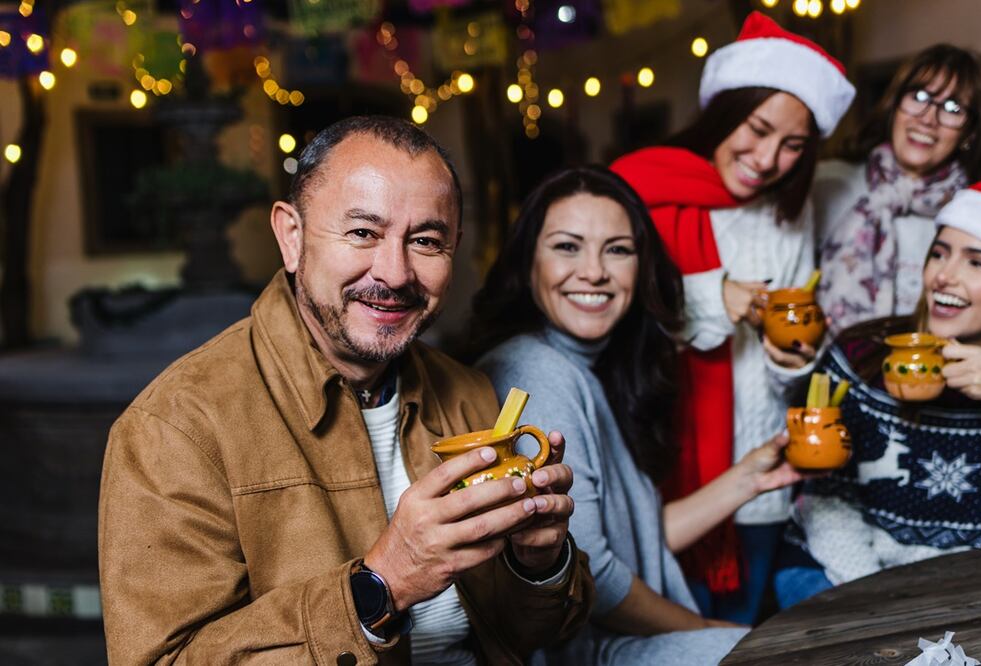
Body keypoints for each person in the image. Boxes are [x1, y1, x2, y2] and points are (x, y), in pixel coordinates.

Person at [98, 116, 594, 664]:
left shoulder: (468, 394)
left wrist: (540, 563)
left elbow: (530, 634)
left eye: (427, 241)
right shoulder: (177, 428)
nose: (395, 272)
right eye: (363, 232)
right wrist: (380, 588)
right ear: (292, 237)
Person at [469, 166, 803, 664]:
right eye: (567, 246)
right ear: (527, 262)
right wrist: (706, 629)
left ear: (640, 266)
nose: (594, 271)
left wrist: (746, 481)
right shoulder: (534, 369)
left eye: (618, 249)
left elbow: (634, 538)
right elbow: (593, 571)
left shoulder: (589, 366)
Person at [611, 11, 855, 624]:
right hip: (666, 463)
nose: (769, 158)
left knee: (744, 633)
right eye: (758, 127)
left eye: (793, 144)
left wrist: (790, 353)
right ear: (725, 109)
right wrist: (712, 299)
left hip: (762, 471)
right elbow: (609, 324)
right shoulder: (640, 186)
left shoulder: (788, 212)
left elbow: (791, 346)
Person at [775, 182, 981, 609]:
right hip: (837, 573)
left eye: (977, 262)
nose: (943, 275)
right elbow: (826, 502)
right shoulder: (860, 355)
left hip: (969, 588)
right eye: (939, 253)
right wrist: (883, 603)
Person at [816, 44, 981, 331]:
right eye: (919, 96)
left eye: (953, 108)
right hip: (823, 372)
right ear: (894, 105)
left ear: (970, 133)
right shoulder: (827, 185)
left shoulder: (975, 220)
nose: (927, 118)